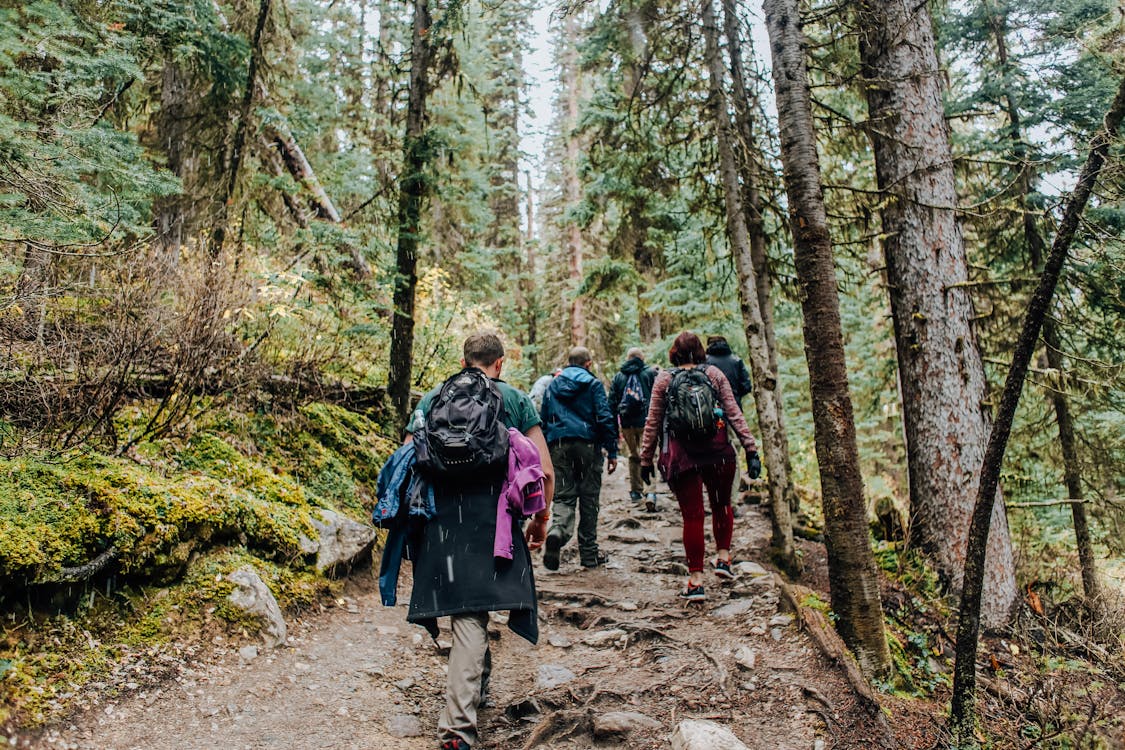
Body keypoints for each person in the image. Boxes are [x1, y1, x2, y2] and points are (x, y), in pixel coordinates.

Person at [403, 331, 555, 750]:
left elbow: (406, 456)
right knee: (471, 612)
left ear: (464, 360)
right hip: (494, 518)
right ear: (499, 363)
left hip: (441, 519)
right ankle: (456, 729)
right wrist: (541, 518)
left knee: (467, 608)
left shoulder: (433, 397)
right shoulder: (515, 400)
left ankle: (476, 688)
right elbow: (542, 467)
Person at [639, 331, 761, 602]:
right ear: (701, 351)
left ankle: (695, 580)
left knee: (693, 516)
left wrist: (645, 459)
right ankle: (724, 559)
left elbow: (653, 422)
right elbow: (733, 413)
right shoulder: (715, 375)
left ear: (674, 352)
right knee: (722, 506)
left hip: (682, 458)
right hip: (718, 453)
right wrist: (751, 449)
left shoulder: (665, 379)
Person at [539, 346, 618, 571]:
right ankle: (589, 555)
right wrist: (611, 450)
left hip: (559, 445)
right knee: (589, 500)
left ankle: (557, 532)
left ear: (568, 362)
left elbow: (544, 417)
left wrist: (545, 449)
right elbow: (604, 417)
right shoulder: (593, 384)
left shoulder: (553, 384)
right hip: (587, 445)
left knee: (563, 498)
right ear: (588, 363)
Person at [609, 347, 659, 510]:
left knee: (633, 455)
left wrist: (615, 429)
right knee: (649, 455)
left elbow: (612, 404)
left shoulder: (619, 377)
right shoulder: (650, 374)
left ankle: (636, 491)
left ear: (628, 358)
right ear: (642, 358)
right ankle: (650, 491)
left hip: (627, 423)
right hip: (646, 421)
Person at [705, 335, 753, 410]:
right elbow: (746, 386)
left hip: (711, 408)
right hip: (733, 406)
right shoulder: (736, 361)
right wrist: (735, 394)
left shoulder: (704, 362)